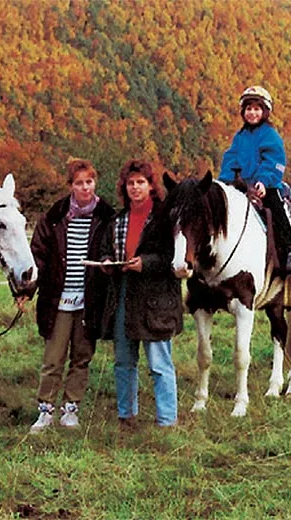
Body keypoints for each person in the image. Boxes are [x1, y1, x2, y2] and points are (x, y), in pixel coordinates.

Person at [16, 158, 114, 434]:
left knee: (82, 357)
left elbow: (112, 249)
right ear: (70, 185)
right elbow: (38, 256)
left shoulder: (107, 216)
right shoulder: (54, 216)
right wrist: (27, 290)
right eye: (79, 183)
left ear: (95, 183)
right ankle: (45, 410)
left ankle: (71, 409)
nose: (85, 187)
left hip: (89, 301)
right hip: (58, 300)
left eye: (89, 182)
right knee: (53, 358)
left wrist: (108, 262)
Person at [89, 159, 182, 429]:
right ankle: (126, 416)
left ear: (151, 186)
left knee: (159, 364)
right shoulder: (117, 220)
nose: (135, 187)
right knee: (123, 361)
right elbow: (105, 249)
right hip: (123, 295)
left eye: (141, 182)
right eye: (130, 183)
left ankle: (167, 420)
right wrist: (107, 261)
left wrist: (146, 263)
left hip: (156, 300)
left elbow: (173, 257)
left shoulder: (165, 219)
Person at [217, 85, 291, 274]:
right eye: (249, 108)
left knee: (276, 206)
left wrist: (263, 181)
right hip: (243, 185)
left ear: (265, 112)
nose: (252, 113)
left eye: (257, 109)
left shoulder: (270, 135)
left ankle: (290, 248)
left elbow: (274, 161)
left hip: (266, 185)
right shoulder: (240, 137)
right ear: (243, 112)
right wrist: (225, 182)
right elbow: (231, 159)